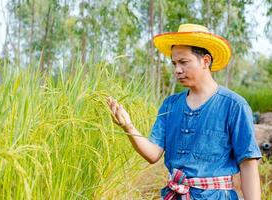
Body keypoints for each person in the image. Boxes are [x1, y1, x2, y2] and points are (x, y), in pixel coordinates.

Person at [106, 24, 262, 200]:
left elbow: (248, 165)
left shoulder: (234, 106)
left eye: (183, 62)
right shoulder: (170, 105)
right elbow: (153, 154)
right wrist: (128, 125)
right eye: (174, 63)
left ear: (205, 61)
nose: (177, 70)